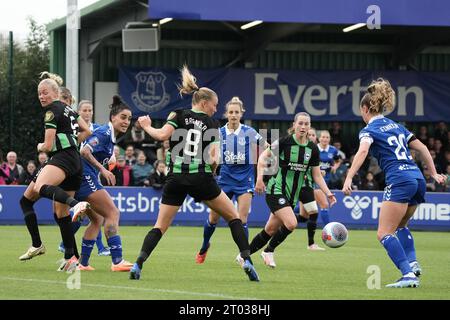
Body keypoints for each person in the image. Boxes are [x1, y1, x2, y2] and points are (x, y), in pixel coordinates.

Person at [129, 65, 259, 281]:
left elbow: (161, 136)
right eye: (214, 106)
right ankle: (247, 261)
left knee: (160, 226)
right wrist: (213, 173)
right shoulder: (213, 124)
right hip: (202, 178)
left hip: (176, 178)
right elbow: (215, 158)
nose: (216, 110)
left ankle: (138, 263)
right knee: (234, 217)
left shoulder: (177, 114)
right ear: (205, 102)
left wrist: (146, 125)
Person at [342, 78, 447, 288]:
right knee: (400, 225)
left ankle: (408, 274)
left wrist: (349, 177)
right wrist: (434, 174)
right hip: (417, 178)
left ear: (365, 108)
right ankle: (413, 262)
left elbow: (363, 151)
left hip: (399, 179)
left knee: (383, 233)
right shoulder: (397, 126)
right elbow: (424, 148)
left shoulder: (369, 130)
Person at [18, 72, 91, 272]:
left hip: (62, 158)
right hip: (75, 160)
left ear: (55, 93)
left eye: (45, 93)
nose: (41, 97)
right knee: (60, 212)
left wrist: (40, 145)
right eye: (39, 94)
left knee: (40, 187)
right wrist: (69, 142)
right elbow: (87, 131)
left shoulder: (51, 111)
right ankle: (71, 258)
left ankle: (76, 206)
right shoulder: (69, 109)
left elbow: (48, 146)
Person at [244, 112, 336, 268]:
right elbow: (262, 159)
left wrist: (328, 193)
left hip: (292, 197)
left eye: (306, 124)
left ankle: (243, 255)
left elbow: (317, 175)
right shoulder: (284, 142)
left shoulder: (312, 149)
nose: (303, 126)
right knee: (292, 223)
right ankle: (268, 251)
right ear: (294, 125)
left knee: (270, 230)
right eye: (300, 123)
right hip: (275, 190)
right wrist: (259, 179)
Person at [195, 96, 266, 264]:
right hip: (224, 180)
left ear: (241, 114)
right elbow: (207, 153)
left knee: (242, 220)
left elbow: (268, 148)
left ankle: (244, 256)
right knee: (213, 219)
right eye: (231, 112)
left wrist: (261, 176)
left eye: (237, 112)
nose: (234, 115)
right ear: (226, 114)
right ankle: (205, 246)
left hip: (245, 181)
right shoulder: (218, 133)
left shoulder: (250, 132)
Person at [72, 95, 134, 271]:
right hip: (85, 178)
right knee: (112, 212)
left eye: (129, 118)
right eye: (123, 117)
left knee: (97, 220)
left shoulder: (111, 136)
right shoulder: (105, 133)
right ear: (113, 117)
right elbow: (85, 151)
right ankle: (117, 261)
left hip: (84, 178)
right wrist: (103, 169)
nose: (126, 121)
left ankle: (82, 264)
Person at [58, 99, 110, 257]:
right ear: (78, 112)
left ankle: (65, 244)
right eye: (84, 110)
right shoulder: (74, 130)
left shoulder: (98, 129)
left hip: (93, 175)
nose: (87, 113)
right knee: (94, 214)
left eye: (90, 110)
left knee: (91, 215)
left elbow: (106, 148)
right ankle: (99, 248)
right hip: (79, 176)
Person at [292, 127, 327, 251]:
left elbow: (313, 169)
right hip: (303, 185)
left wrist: (319, 172)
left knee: (303, 217)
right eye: (310, 134)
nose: (311, 136)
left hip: (308, 185)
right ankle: (311, 244)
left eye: (313, 135)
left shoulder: (313, 149)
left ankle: (281, 219)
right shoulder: (304, 148)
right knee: (314, 212)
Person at [315, 130, 342, 225]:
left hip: (327, 180)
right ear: (319, 138)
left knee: (309, 204)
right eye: (323, 137)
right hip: (315, 180)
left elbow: (338, 160)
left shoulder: (333, 150)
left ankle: (290, 213)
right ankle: (328, 228)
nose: (325, 139)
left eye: (327, 137)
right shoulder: (314, 148)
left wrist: (335, 167)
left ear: (329, 139)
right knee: (324, 204)